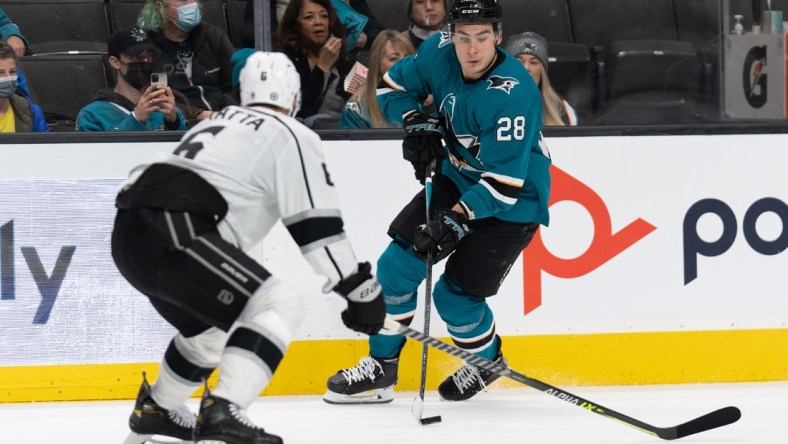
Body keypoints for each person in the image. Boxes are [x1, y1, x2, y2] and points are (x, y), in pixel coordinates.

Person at [114, 51, 385, 444]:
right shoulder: (291, 132)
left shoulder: (220, 120)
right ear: (293, 97)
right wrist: (360, 291)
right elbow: (317, 228)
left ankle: (158, 408)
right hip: (174, 227)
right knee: (280, 302)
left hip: (129, 232)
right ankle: (224, 407)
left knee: (208, 333)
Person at [324, 0, 551, 404]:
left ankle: (486, 362)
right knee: (394, 269)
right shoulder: (437, 51)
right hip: (456, 178)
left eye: (482, 37)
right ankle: (381, 367)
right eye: (463, 37)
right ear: (451, 35)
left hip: (513, 203)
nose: (472, 48)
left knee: (454, 299)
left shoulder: (513, 96)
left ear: (498, 37)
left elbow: (503, 185)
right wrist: (415, 119)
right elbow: (390, 87)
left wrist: (456, 220)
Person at [137, 0, 237, 121]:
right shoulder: (146, 45)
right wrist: (197, 114)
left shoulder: (214, 36)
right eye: (183, 0)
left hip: (225, 119)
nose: (191, 4)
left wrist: (228, 112)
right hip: (176, 123)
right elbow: (151, 95)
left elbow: (235, 83)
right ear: (159, 7)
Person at [76, 27, 186, 132]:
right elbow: (97, 151)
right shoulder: (92, 114)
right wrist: (136, 119)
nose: (145, 61)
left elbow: (185, 148)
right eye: (136, 56)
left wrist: (174, 123)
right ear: (115, 62)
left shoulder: (165, 108)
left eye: (149, 55)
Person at [277, 0, 354, 124]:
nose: (319, 22)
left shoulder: (346, 60)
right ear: (296, 26)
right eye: (309, 17)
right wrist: (322, 67)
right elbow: (300, 112)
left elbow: (367, 101)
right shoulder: (284, 62)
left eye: (324, 16)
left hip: (345, 134)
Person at [338, 30, 415, 129]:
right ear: (377, 64)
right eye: (394, 59)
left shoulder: (425, 100)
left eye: (407, 57)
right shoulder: (357, 108)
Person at [506, 31, 578, 126]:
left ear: (542, 72)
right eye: (519, 62)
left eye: (534, 62)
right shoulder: (488, 106)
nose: (526, 68)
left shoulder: (562, 110)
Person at [0, 41, 47, 133]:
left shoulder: (32, 112)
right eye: (0, 73)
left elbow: (45, 146)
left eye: (12, 72)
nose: (8, 78)